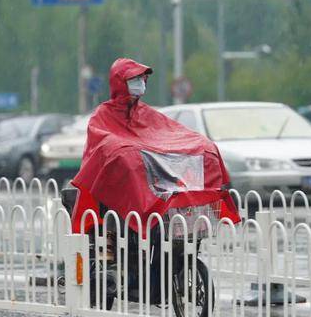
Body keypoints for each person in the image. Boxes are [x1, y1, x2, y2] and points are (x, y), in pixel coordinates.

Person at [70, 57, 239, 235]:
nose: (140, 83)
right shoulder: (103, 115)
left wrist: (202, 145)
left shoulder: (146, 113)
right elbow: (103, 144)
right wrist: (127, 149)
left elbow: (170, 133)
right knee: (128, 157)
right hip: (122, 189)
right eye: (134, 79)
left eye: (142, 79)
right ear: (120, 82)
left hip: (159, 187)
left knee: (204, 147)